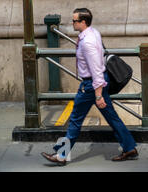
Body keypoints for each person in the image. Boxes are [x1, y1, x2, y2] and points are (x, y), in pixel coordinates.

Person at [41, 8, 138, 165]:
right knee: (112, 117)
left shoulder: (87, 42)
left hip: (91, 85)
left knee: (75, 119)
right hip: (94, 84)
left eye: (75, 21)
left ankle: (61, 155)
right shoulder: (92, 33)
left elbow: (97, 70)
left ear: (83, 22)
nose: (72, 23)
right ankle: (129, 147)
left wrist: (98, 95)